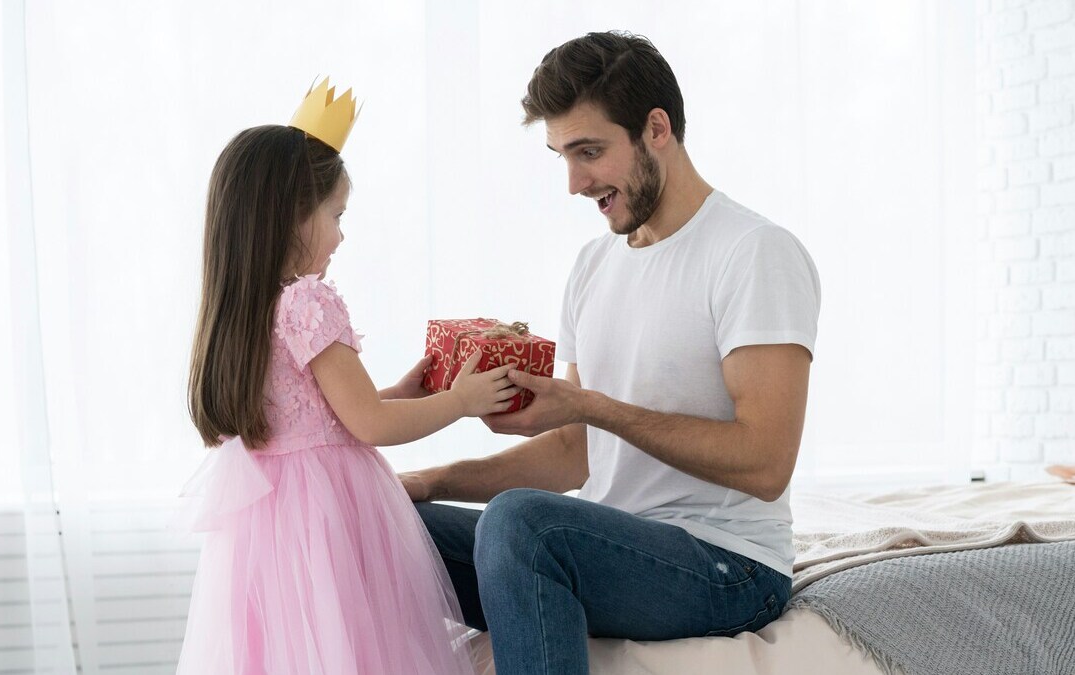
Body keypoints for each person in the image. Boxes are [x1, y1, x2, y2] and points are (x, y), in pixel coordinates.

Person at [400, 31, 822, 674]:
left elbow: (766, 463)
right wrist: (430, 483)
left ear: (657, 128)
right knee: (385, 527)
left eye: (589, 152)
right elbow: (577, 451)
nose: (574, 182)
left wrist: (594, 406)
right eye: (562, 156)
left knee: (520, 525)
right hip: (611, 548)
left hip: (729, 566)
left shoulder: (753, 252)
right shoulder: (594, 266)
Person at [176, 82, 518, 674]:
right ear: (290, 219)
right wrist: (462, 401)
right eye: (335, 216)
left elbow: (317, 415)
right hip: (329, 513)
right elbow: (368, 424)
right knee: (361, 649)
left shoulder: (240, 310)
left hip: (275, 525)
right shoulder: (308, 302)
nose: (340, 236)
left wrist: (403, 391)